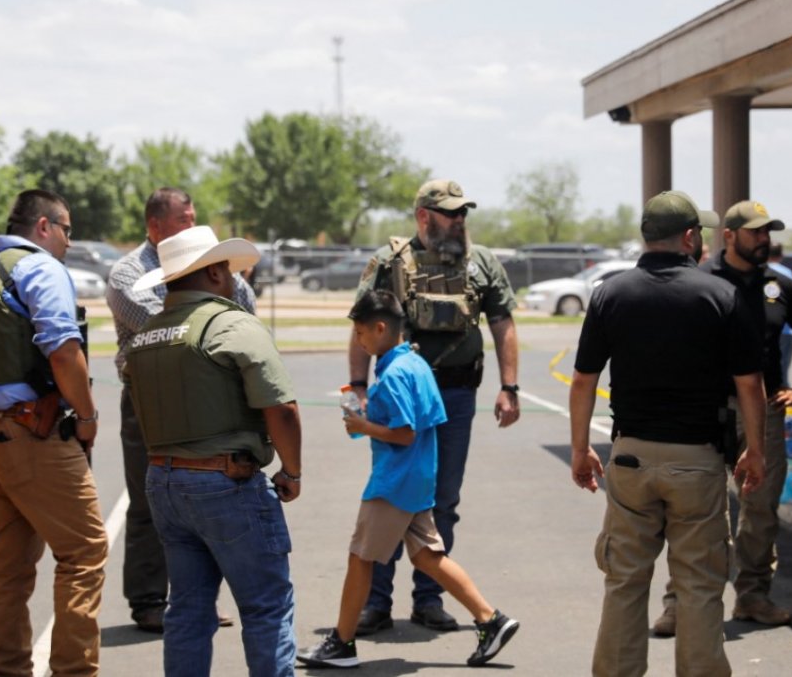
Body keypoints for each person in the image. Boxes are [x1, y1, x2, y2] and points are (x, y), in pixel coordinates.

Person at [570, 190, 766, 677]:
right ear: (689, 237)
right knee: (699, 586)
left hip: (631, 458)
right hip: (696, 460)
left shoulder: (610, 294)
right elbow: (749, 384)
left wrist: (580, 450)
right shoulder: (722, 296)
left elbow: (583, 380)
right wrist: (756, 451)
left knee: (624, 582)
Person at [299, 290, 520, 669]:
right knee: (428, 556)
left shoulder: (396, 372)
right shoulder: (415, 363)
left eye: (361, 332)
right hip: (417, 478)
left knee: (359, 557)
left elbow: (405, 432)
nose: (359, 340)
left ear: (380, 328)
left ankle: (342, 643)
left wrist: (364, 425)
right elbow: (419, 420)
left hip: (394, 482)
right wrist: (369, 419)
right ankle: (491, 619)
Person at [125, 225, 302, 676]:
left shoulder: (146, 335)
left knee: (186, 609)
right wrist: (292, 471)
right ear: (218, 272)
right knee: (266, 608)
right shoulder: (231, 324)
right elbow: (281, 408)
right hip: (225, 482)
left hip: (164, 481)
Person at [348, 179, 520, 634]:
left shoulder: (481, 261)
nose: (460, 219)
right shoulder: (389, 262)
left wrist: (510, 387)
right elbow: (361, 324)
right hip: (400, 398)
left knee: (443, 499)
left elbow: (502, 321)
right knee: (389, 494)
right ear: (424, 215)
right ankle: (375, 605)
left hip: (458, 397)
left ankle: (429, 599)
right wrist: (358, 385)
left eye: (463, 212)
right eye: (450, 212)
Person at [0, 189, 106, 677]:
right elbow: (62, 350)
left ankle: (8, 670)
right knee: (84, 551)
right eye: (67, 231)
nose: (69, 243)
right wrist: (87, 416)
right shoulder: (39, 268)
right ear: (44, 226)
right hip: (28, 434)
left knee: (9, 563)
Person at [653, 200, 792, 637]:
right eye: (756, 232)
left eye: (768, 232)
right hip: (708, 411)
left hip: (764, 413)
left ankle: (753, 596)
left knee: (761, 507)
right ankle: (677, 603)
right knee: (697, 508)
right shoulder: (700, 280)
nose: (765, 239)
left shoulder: (779, 286)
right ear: (728, 236)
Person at [105, 187, 255, 633]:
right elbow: (168, 329)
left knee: (205, 495)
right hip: (149, 402)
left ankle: (197, 599)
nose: (193, 226)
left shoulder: (208, 264)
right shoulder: (128, 273)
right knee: (150, 499)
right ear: (155, 227)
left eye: (194, 217)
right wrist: (217, 318)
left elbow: (245, 309)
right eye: (184, 219)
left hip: (208, 399)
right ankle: (150, 600)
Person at [766, 242, 792, 386]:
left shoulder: (759, 272)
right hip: (785, 330)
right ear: (781, 255)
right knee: (782, 372)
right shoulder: (787, 273)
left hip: (764, 330)